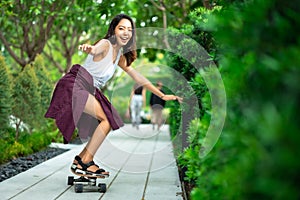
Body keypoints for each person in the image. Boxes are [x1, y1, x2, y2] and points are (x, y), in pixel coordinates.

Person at [45, 14, 182, 177]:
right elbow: (96, 49)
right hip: (76, 83)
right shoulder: (106, 44)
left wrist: (163, 95)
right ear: (114, 30)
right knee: (106, 121)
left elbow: (139, 78)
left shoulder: (120, 56)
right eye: (121, 28)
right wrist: (90, 49)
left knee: (107, 119)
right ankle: (85, 162)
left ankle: (81, 160)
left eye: (129, 30)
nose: (126, 33)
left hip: (88, 87)